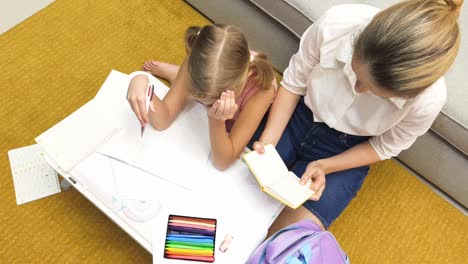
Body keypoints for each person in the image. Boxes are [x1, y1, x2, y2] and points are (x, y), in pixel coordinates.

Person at [251, 0, 463, 233]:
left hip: (346, 152)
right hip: (297, 116)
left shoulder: (428, 99)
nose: (357, 88)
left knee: (284, 238)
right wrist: (269, 140)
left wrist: (327, 166)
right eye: (354, 72)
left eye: (373, 91)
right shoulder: (339, 23)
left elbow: (384, 147)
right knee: (239, 191)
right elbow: (294, 81)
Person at [127, 24, 277, 170]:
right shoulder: (198, 60)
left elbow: (222, 162)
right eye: (200, 94)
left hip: (234, 117)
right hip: (209, 78)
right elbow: (162, 121)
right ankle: (177, 76)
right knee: (189, 91)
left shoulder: (262, 89)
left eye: (213, 99)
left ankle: (176, 76)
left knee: (190, 93)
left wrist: (216, 120)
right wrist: (141, 83)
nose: (207, 103)